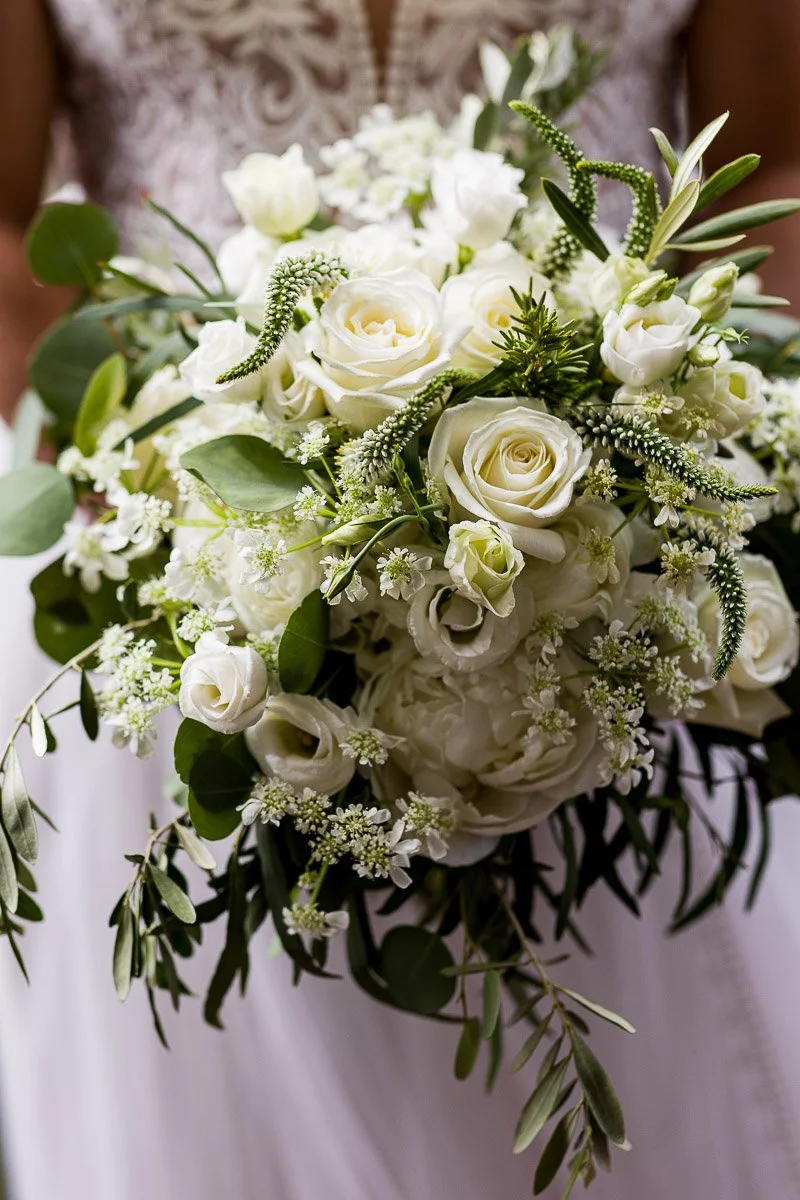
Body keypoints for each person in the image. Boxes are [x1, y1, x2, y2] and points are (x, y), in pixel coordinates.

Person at [0, 2, 798, 1198]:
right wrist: (165, 501)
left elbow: (776, 150)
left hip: (614, 597)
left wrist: (673, 460)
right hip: (166, 601)